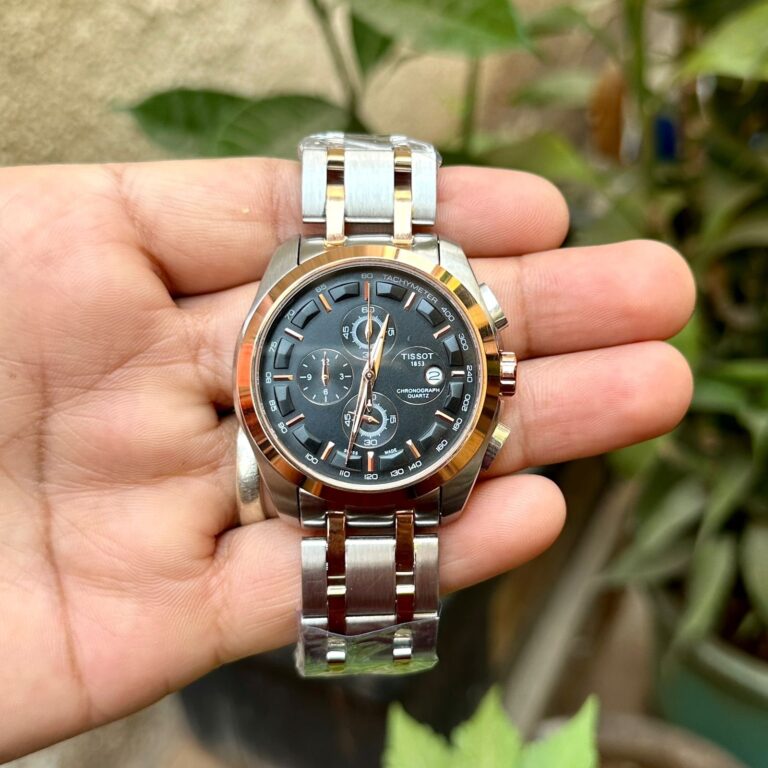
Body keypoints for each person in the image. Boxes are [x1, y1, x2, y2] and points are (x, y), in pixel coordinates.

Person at [0, 158, 694, 761]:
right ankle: (363, 646)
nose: (365, 377)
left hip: (394, 472)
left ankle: (367, 646)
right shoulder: (289, 324)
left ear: (497, 373)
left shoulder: (437, 348)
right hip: (328, 477)